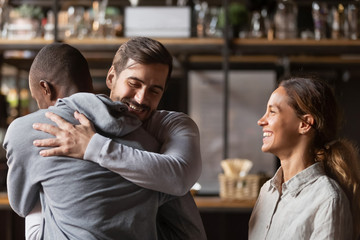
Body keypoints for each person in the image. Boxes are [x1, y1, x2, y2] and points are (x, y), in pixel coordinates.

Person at [5, 39, 206, 239]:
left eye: (154, 90)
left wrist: (93, 147)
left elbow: (179, 177)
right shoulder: (145, 142)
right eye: (134, 84)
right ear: (111, 78)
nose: (141, 98)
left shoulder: (169, 128)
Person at [248, 77, 360, 239]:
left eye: (272, 112)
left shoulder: (328, 199)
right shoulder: (267, 191)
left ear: (305, 124)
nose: (261, 121)